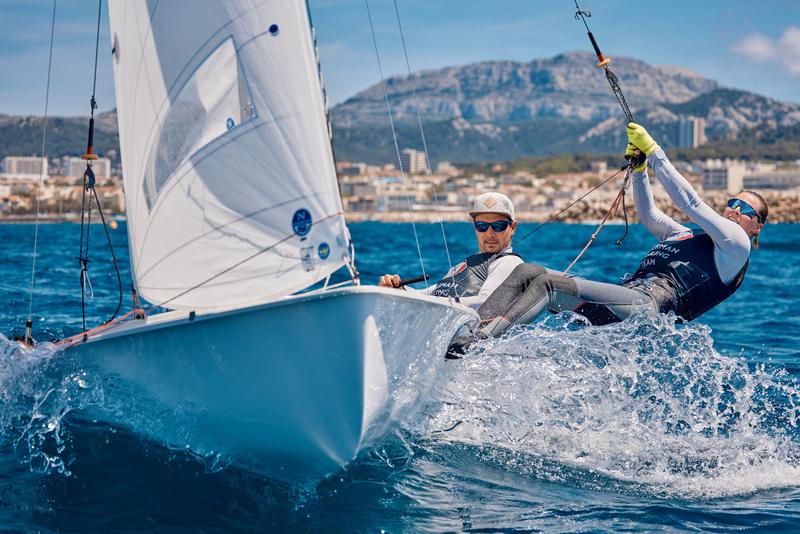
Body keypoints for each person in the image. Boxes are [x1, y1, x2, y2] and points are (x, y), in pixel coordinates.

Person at [460, 122, 767, 343]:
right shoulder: (684, 236)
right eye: (734, 203)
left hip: (648, 310)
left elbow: (690, 202)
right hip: (622, 306)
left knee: (549, 285)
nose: (737, 210)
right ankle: (467, 329)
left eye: (747, 210)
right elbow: (649, 216)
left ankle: (475, 343)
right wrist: (640, 169)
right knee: (527, 271)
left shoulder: (737, 246)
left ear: (757, 227)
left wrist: (655, 151)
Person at [378, 192, 524, 309]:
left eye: (498, 226)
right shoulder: (470, 264)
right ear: (475, 227)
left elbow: (484, 302)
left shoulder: (508, 262)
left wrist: (434, 302)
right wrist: (399, 290)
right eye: (482, 226)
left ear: (512, 228)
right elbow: (427, 294)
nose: (489, 233)